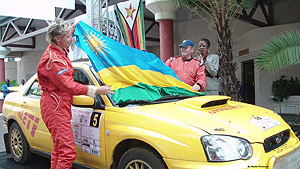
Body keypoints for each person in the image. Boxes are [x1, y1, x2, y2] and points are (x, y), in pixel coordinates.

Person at [37, 18, 115, 169]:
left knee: (58, 150)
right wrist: (96, 90)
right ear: (58, 39)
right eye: (68, 37)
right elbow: (68, 85)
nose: (71, 39)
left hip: (58, 104)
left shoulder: (57, 49)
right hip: (55, 106)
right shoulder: (54, 61)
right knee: (67, 152)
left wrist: (72, 28)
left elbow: (64, 38)